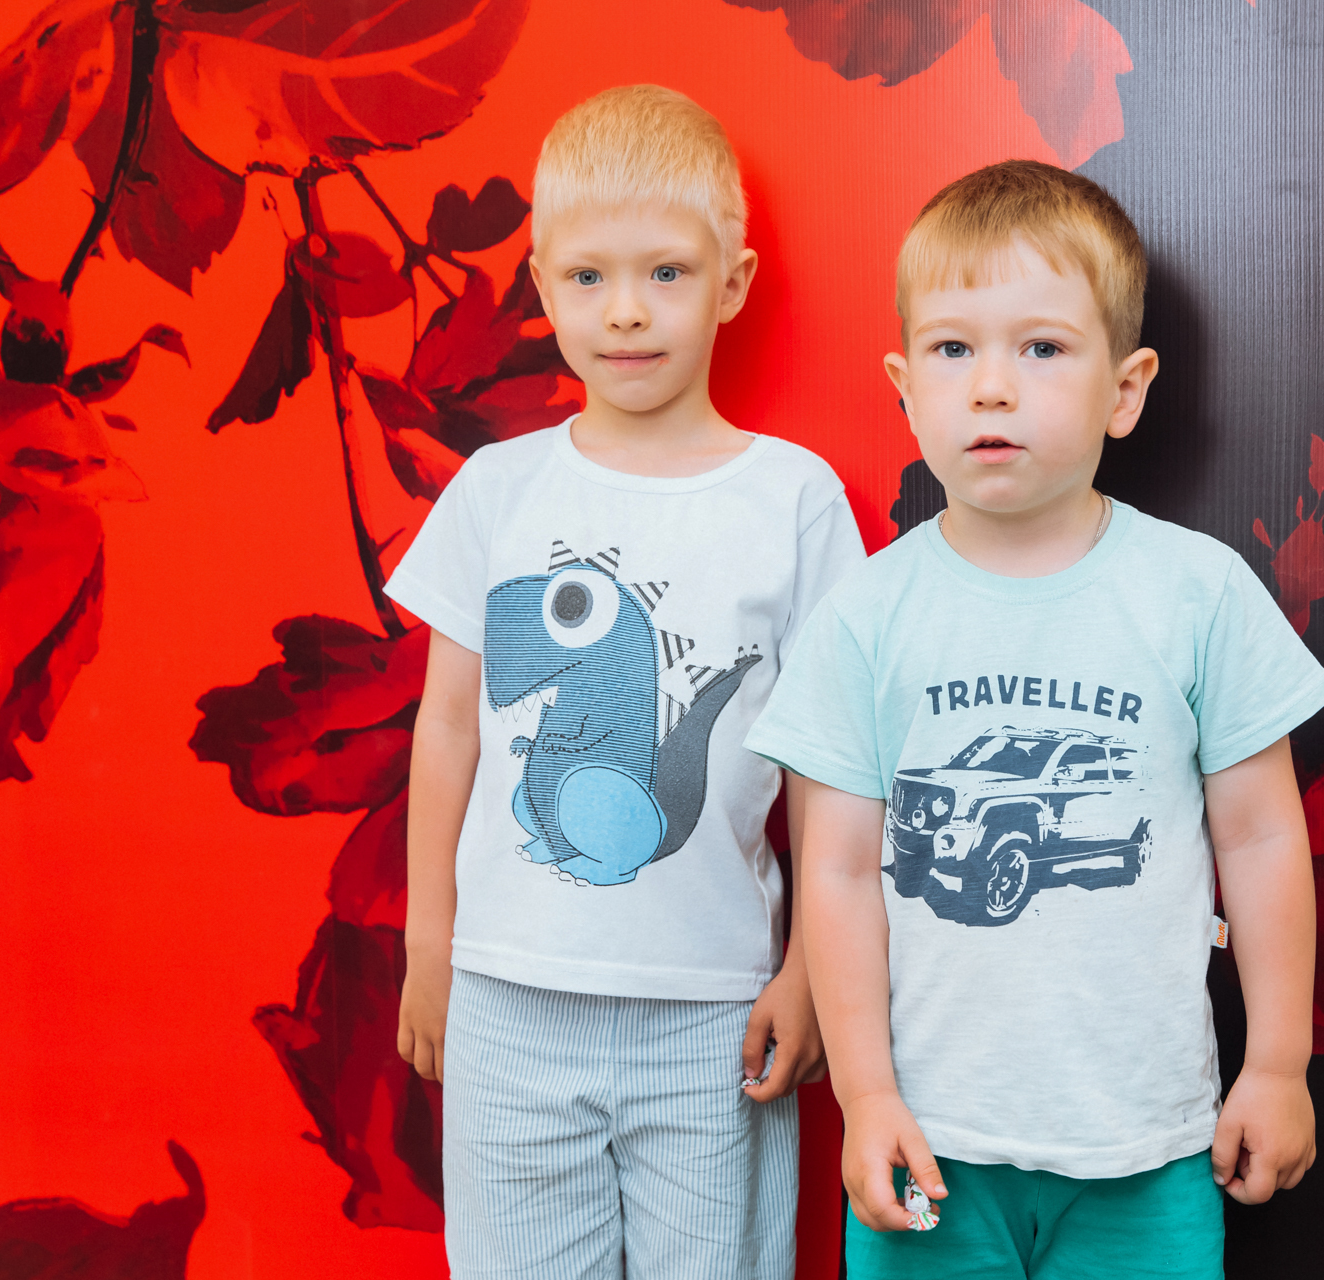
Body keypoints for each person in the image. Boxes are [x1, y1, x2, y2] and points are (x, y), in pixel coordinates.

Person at [746, 159, 1324, 1278]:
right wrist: (865, 1095)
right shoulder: (865, 615)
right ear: (904, 386)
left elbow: (1262, 837)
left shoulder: (1198, 593)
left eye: (1043, 348)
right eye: (952, 349)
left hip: (1146, 1146)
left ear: (1126, 388)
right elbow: (841, 868)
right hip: (928, 1143)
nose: (991, 387)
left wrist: (1277, 1063)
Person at [388, 84, 864, 1279]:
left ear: (732, 284)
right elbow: (448, 725)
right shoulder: (499, 489)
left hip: (713, 1008)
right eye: (589, 277)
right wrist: (430, 938)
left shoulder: (794, 499)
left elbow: (833, 765)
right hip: (510, 993)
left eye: (666, 273)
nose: (627, 310)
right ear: (542, 287)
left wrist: (811, 968)